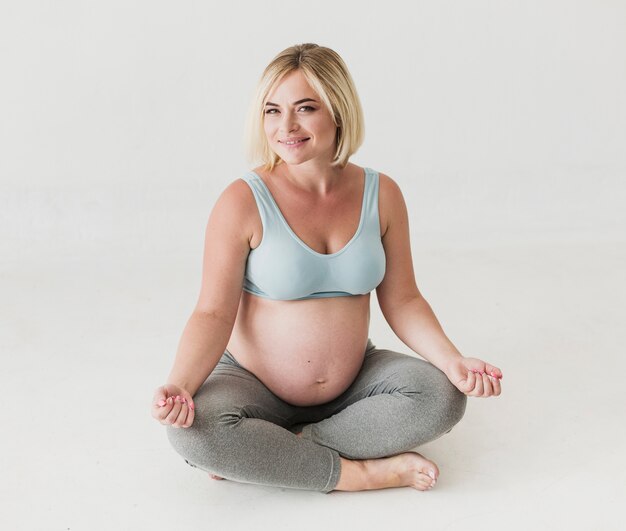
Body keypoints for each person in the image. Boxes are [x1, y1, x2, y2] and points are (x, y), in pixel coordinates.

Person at [150, 43, 503, 494]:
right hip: (251, 384)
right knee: (192, 430)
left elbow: (404, 298)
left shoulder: (383, 194)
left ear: (338, 110)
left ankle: (285, 451)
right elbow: (212, 314)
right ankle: (357, 473)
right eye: (272, 111)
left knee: (442, 397)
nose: (286, 127)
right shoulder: (241, 201)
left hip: (354, 380)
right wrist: (180, 385)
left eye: (305, 109)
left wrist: (452, 361)